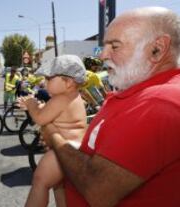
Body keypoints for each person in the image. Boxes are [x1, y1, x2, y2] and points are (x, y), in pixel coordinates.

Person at [41, 7, 180, 207]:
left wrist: (53, 136)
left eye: (114, 46)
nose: (103, 55)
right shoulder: (140, 92)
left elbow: (98, 189)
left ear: (157, 49)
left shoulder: (159, 103)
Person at [17, 55, 87, 207]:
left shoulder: (60, 99)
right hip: (75, 148)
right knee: (59, 185)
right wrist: (37, 106)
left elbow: (41, 119)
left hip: (63, 149)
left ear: (68, 82)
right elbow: (53, 113)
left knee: (40, 181)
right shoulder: (72, 96)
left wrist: (31, 104)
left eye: (49, 79)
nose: (44, 82)